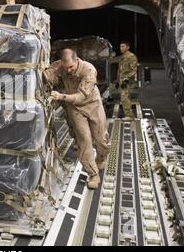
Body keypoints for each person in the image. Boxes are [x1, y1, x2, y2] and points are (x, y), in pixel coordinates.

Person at [44, 48, 110, 189]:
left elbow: (81, 96)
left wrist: (61, 96)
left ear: (77, 60)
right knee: (84, 140)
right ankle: (93, 174)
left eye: (71, 67)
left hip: (92, 104)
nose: (68, 70)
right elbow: (48, 75)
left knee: (101, 140)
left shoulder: (89, 70)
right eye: (65, 67)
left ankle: (101, 157)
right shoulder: (60, 66)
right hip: (74, 108)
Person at [116, 41, 138, 120]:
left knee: (125, 98)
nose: (121, 48)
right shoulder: (122, 57)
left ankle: (130, 116)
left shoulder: (131, 56)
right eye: (120, 46)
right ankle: (128, 115)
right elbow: (120, 70)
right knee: (124, 98)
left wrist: (126, 79)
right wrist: (118, 81)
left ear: (127, 47)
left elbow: (134, 70)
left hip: (127, 81)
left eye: (123, 46)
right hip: (122, 81)